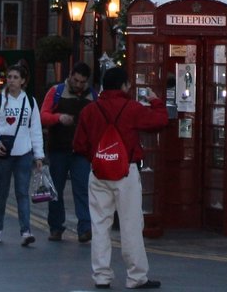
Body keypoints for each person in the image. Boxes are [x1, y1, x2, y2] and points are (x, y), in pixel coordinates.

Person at [73, 65, 168, 290]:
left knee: (99, 225)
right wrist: (156, 100)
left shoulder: (90, 110)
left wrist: (99, 158)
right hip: (126, 173)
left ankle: (102, 276)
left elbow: (78, 145)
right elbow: (160, 121)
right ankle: (136, 276)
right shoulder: (131, 107)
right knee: (131, 225)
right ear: (124, 86)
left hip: (98, 173)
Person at [0, 64, 45, 246]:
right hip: (3, 154)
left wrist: (38, 155)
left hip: (23, 154)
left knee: (22, 192)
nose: (11, 81)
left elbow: (35, 130)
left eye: (16, 77)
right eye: (9, 77)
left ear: (23, 81)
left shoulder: (30, 102)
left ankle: (26, 231)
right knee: (2, 192)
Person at [40, 61, 96, 242]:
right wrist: (58, 118)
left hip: (81, 151)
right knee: (56, 190)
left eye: (83, 82)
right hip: (58, 149)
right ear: (70, 75)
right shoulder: (56, 92)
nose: (79, 85)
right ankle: (56, 227)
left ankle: (85, 229)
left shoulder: (92, 96)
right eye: (76, 80)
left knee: (82, 189)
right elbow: (43, 116)